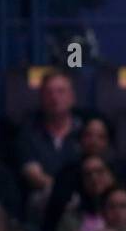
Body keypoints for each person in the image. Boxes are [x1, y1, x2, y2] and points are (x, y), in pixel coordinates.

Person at [16, 71, 81, 215]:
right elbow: (34, 176)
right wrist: (64, 192)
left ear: (72, 97)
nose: (54, 97)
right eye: (49, 92)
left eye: (61, 91)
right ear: (41, 98)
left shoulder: (85, 131)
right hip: (43, 205)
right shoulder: (28, 133)